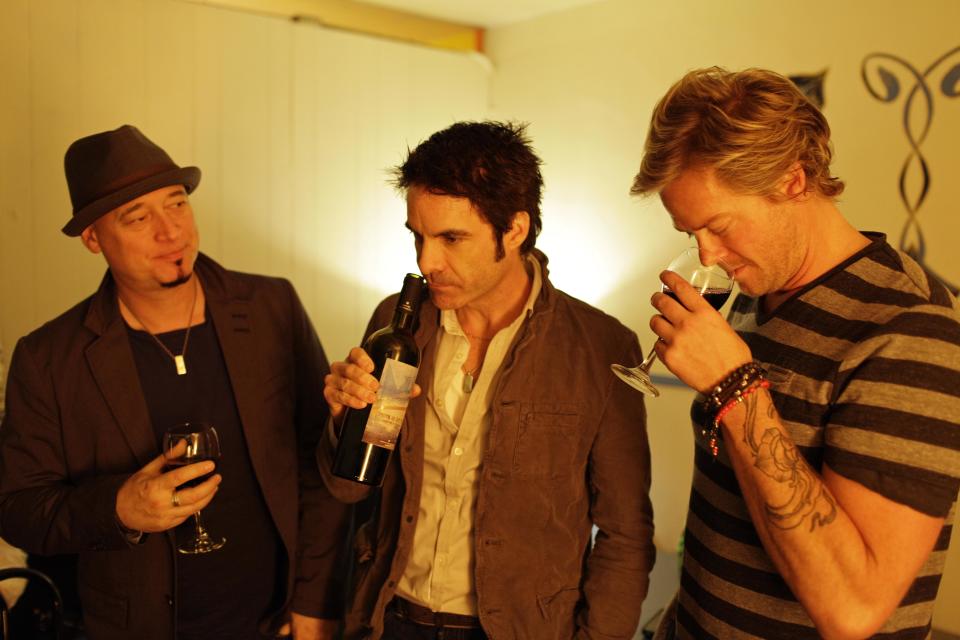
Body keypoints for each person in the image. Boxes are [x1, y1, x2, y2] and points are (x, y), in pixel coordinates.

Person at [632, 67, 960, 639]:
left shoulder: (913, 328)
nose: (708, 255)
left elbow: (852, 608)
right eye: (691, 234)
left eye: (719, 226)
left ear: (792, 179)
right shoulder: (754, 296)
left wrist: (735, 385)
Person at [0, 125, 350, 640]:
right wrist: (119, 507)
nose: (171, 233)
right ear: (93, 237)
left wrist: (316, 606)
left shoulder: (271, 307)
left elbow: (322, 467)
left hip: (276, 623)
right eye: (138, 218)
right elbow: (17, 510)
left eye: (177, 204)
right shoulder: (49, 357)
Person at [317, 121, 655, 639]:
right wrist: (344, 419)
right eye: (418, 236)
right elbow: (345, 488)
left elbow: (625, 534)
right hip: (393, 618)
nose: (427, 262)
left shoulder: (601, 346)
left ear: (515, 230)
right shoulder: (399, 321)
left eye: (452, 238)